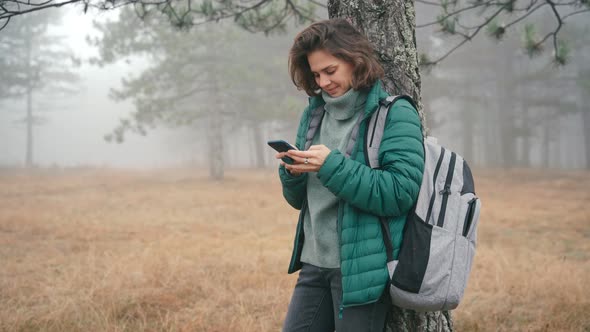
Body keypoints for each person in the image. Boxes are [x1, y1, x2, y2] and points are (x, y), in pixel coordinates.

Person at [276, 19, 425, 332]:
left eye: (330, 70)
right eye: (316, 74)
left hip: (360, 272)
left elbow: (399, 192)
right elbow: (298, 201)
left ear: (355, 59)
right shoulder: (314, 113)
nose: (324, 81)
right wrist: (291, 172)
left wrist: (331, 165)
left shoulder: (394, 113)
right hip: (313, 264)